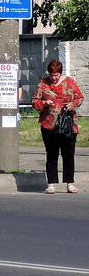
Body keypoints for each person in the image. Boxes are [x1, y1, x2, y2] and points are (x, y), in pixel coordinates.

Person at [32, 59, 84, 194]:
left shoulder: (70, 83)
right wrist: (44, 104)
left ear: (60, 73)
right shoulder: (43, 84)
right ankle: (51, 184)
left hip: (68, 124)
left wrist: (73, 105)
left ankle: (70, 183)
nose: (53, 78)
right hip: (49, 125)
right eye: (51, 75)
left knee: (68, 154)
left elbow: (80, 98)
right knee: (51, 154)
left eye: (56, 75)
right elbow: (34, 101)